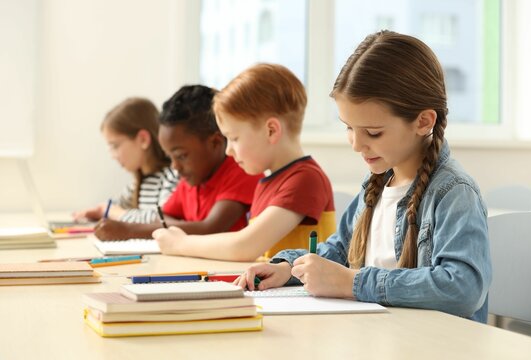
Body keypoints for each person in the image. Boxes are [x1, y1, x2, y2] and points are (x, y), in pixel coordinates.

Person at [235, 31, 492, 323]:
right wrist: (288, 268)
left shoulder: (454, 193)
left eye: (372, 133)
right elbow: (339, 250)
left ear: (423, 121)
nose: (356, 144)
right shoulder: (378, 181)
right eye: (348, 128)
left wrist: (352, 283)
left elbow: (462, 289)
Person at [153, 64, 336, 261]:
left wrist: (180, 244)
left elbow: (245, 247)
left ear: (271, 131)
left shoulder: (305, 180)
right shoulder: (267, 184)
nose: (228, 150)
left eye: (234, 138)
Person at [94, 85, 262, 240]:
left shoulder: (241, 169)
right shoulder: (190, 180)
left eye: (181, 156)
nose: (174, 166)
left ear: (215, 143)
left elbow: (210, 228)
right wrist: (173, 225)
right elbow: (163, 218)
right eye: (170, 157)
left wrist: (128, 231)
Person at [73, 97, 178, 224]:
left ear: (143, 140)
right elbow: (115, 204)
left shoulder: (172, 176)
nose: (112, 155)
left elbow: (162, 218)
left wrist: (112, 212)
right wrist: (99, 210)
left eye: (115, 146)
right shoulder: (138, 183)